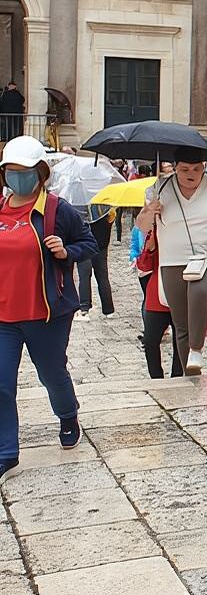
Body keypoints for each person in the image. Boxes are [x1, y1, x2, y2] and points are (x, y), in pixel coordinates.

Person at [0, 136, 96, 482]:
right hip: (3, 317)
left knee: (52, 373)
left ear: (40, 174)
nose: (17, 178)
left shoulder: (56, 209)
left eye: (24, 171)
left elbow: (89, 243)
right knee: (1, 383)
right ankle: (6, 452)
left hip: (46, 313)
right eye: (11, 172)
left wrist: (64, 251)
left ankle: (68, 415)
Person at [136, 147, 207, 375]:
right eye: (184, 169)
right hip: (172, 260)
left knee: (199, 291)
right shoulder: (159, 188)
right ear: (175, 168)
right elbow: (143, 227)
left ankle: (196, 348)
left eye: (196, 169)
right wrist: (148, 212)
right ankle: (191, 375)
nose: (190, 174)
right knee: (180, 320)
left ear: (204, 167)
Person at [137, 230, 181, 379]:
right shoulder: (155, 232)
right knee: (150, 341)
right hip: (157, 294)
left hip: (181, 291)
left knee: (181, 342)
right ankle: (156, 378)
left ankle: (177, 377)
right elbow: (143, 266)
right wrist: (150, 249)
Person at [76, 204, 115, 317]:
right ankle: (108, 310)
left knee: (84, 276)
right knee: (103, 277)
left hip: (84, 246)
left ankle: (84, 308)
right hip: (101, 245)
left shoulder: (78, 207)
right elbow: (110, 223)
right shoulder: (106, 208)